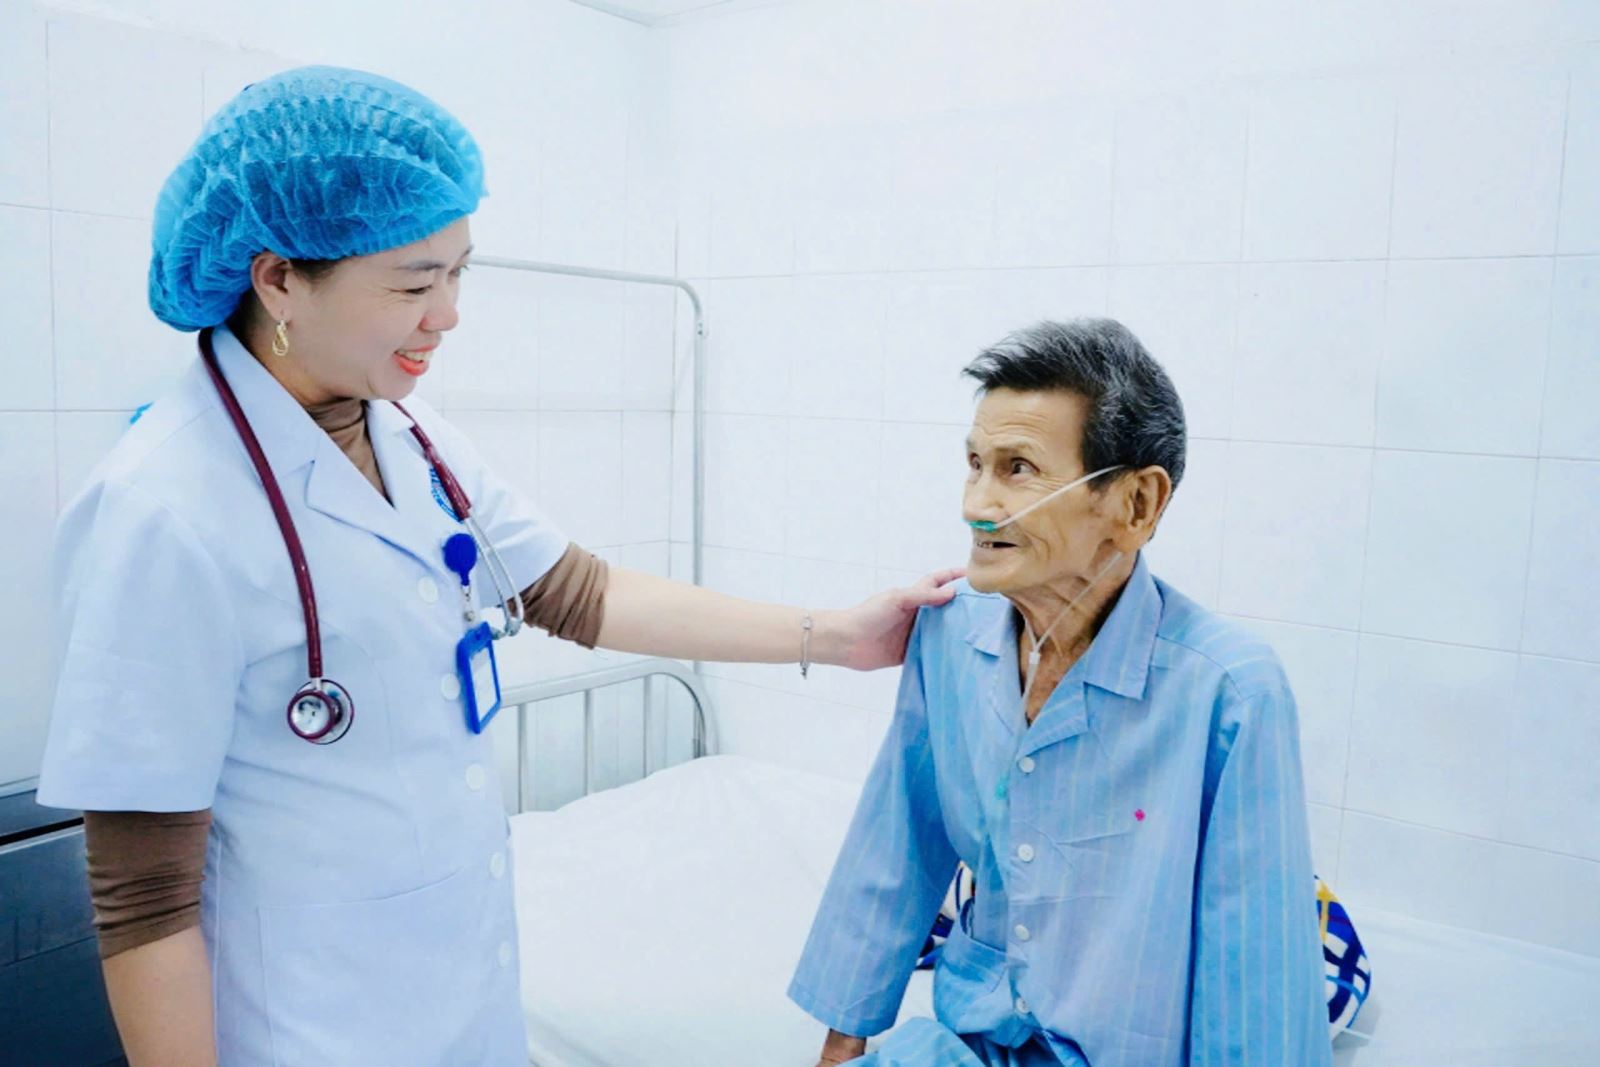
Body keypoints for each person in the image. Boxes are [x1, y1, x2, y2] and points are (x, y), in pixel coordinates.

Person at [35, 66, 959, 1066]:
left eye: (458, 273)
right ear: (278, 279)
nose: (448, 314)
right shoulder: (162, 508)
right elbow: (145, 899)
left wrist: (836, 634)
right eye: (413, 283)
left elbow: (579, 593)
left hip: (463, 1003)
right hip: (309, 1027)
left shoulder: (411, 433)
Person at [789, 319, 1330, 1067]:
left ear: (1136, 505)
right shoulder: (948, 631)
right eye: (974, 464)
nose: (976, 503)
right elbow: (900, 837)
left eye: (1017, 469)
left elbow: (1254, 964)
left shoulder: (1230, 693)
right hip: (973, 1037)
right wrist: (841, 1044)